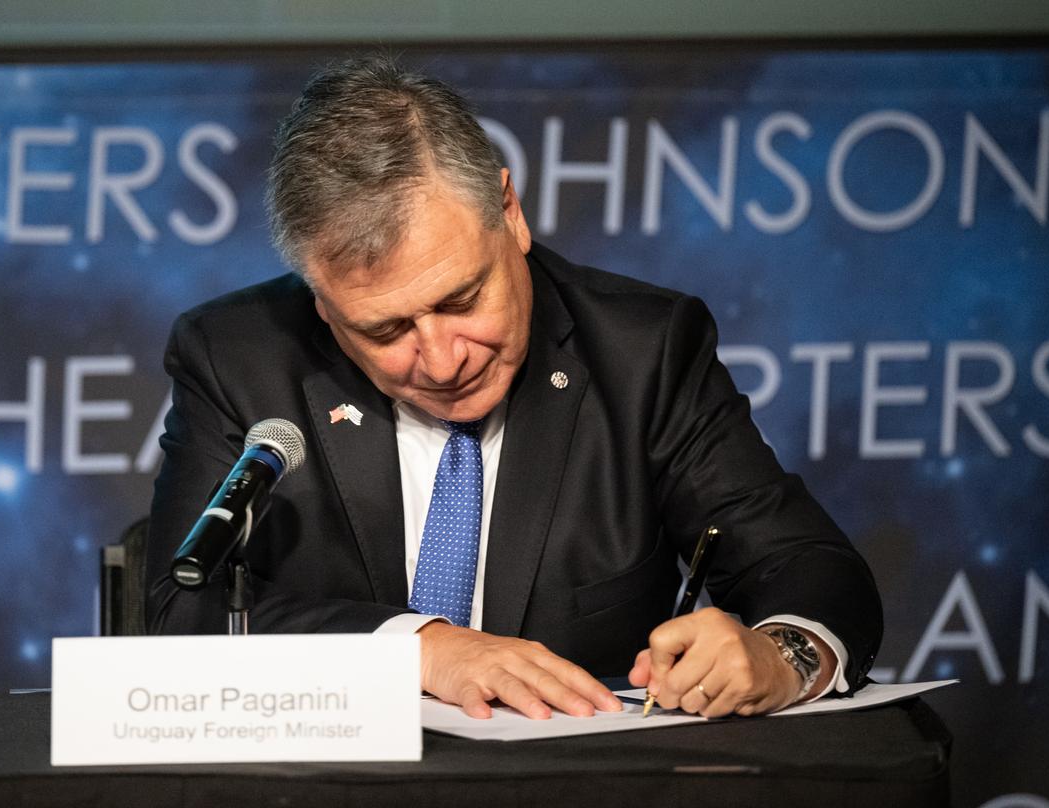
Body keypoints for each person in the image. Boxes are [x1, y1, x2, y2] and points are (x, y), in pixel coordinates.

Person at [146, 54, 882, 721]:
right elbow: (180, 610)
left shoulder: (644, 353)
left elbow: (807, 569)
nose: (439, 360)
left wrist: (780, 656)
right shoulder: (238, 359)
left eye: (463, 300)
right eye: (384, 331)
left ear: (511, 213)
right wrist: (423, 650)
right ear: (320, 298)